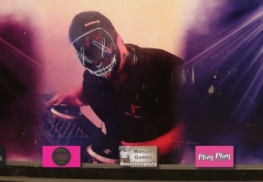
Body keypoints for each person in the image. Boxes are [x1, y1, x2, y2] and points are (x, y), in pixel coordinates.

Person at [46, 11, 184, 163]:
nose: (100, 64)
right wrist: (79, 94)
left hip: (157, 161)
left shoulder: (165, 67)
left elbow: (195, 122)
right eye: (92, 57)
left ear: (119, 39)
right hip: (114, 155)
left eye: (100, 46)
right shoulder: (93, 78)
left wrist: (152, 150)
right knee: (49, 160)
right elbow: (96, 88)